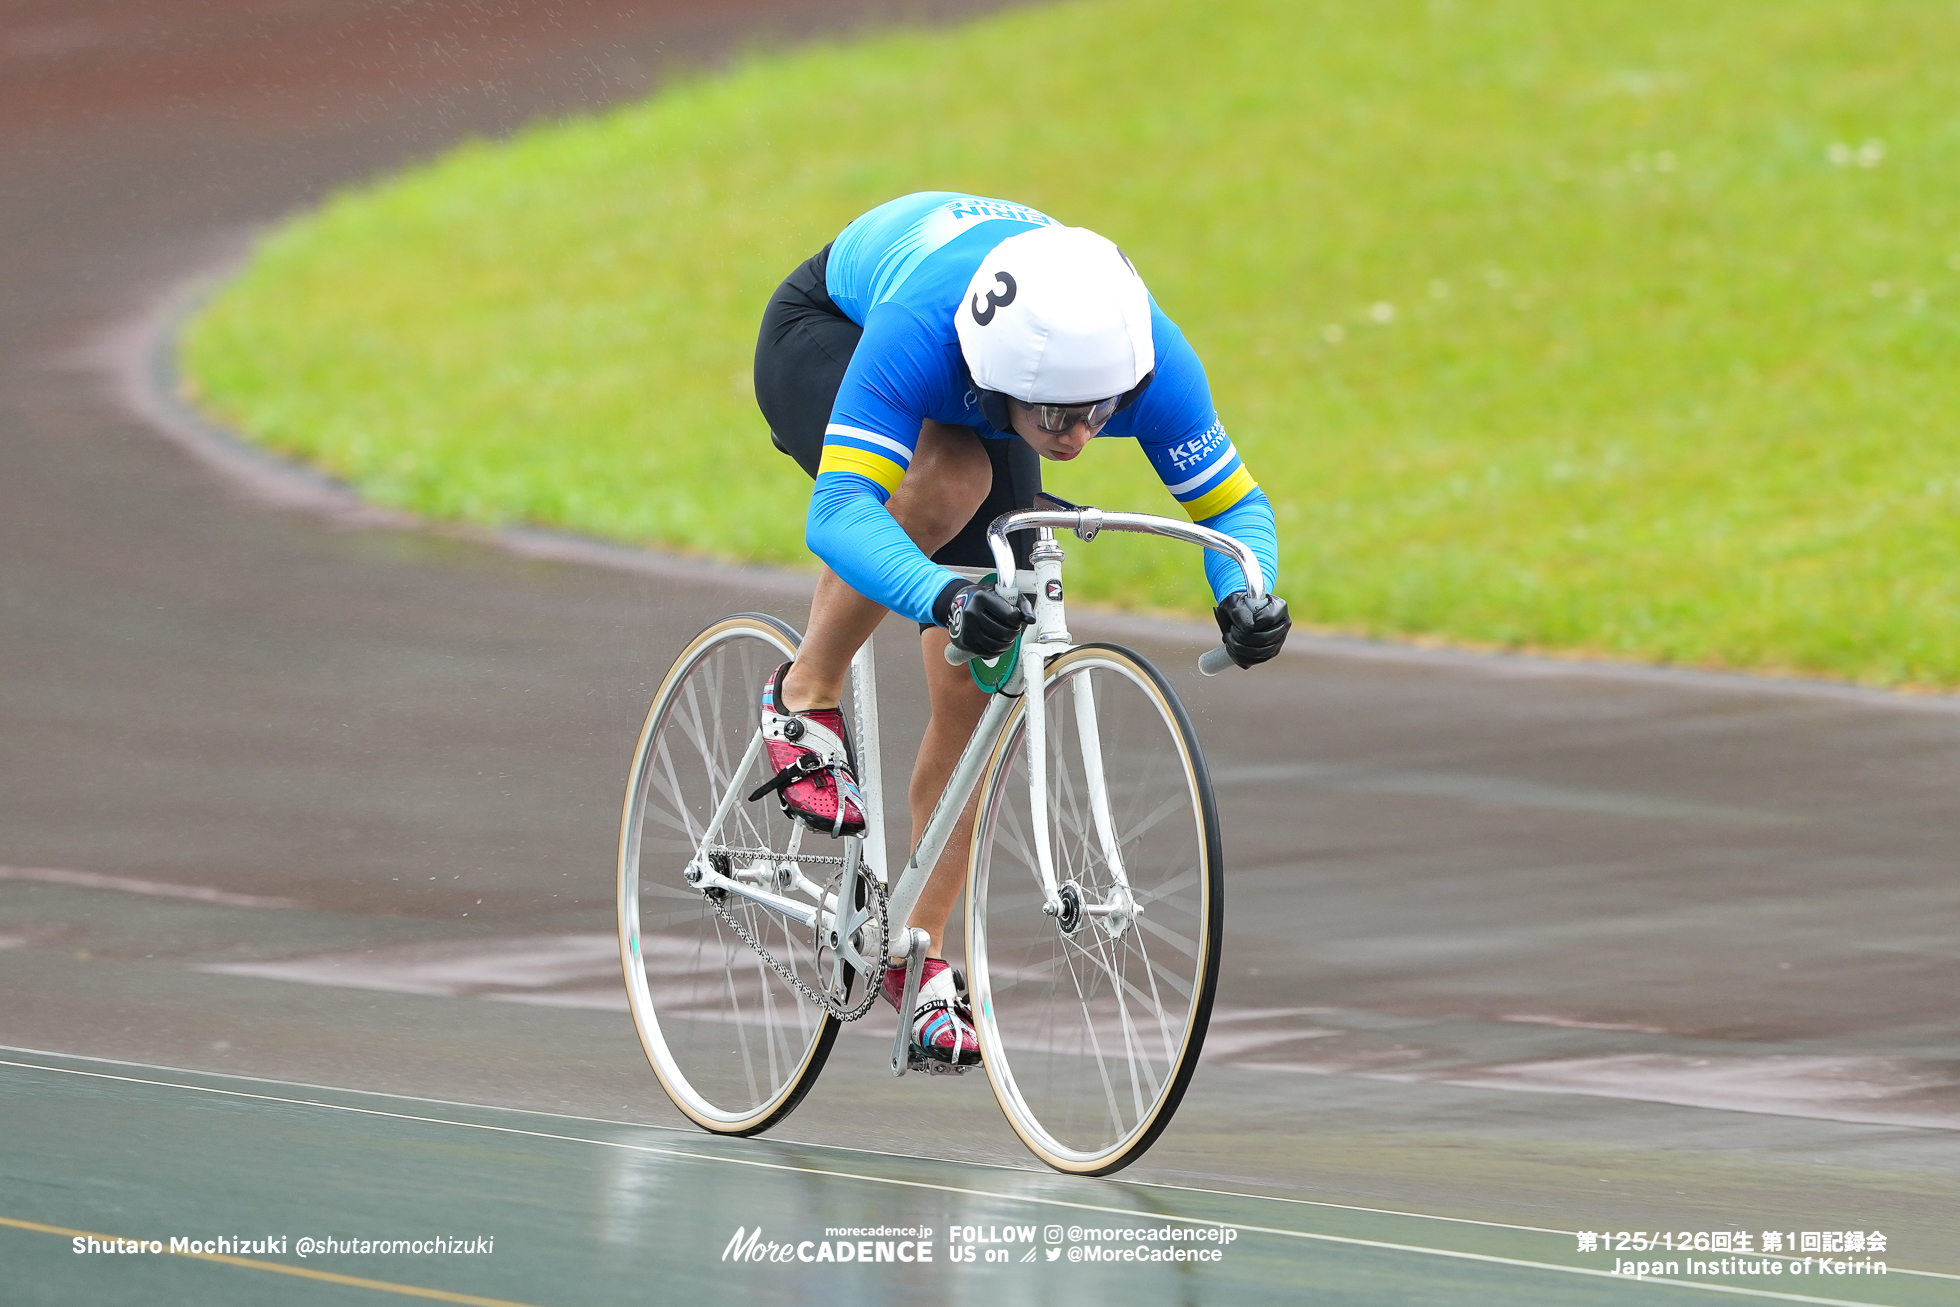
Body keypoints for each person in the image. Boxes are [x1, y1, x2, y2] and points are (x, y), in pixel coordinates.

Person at [752, 192, 1289, 1066]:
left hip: (988, 385)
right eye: (1059, 422)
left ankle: (914, 956)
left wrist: (1243, 588)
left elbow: (1237, 505)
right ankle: (802, 694)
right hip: (835, 328)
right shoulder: (923, 333)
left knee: (974, 678)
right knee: (950, 474)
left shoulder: (1139, 355)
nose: (1079, 438)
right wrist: (942, 595)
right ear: (1012, 382)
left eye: (1100, 415)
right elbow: (839, 510)